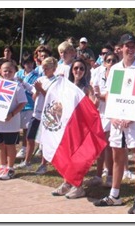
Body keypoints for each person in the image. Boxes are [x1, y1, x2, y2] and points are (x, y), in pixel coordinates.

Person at [93, 33, 135, 214]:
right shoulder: (115, 69)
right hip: (117, 120)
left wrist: (131, 117)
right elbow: (110, 94)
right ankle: (114, 195)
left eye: (133, 46)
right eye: (127, 46)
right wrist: (112, 116)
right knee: (117, 157)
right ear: (121, 48)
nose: (131, 49)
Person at [51, 58, 94, 199]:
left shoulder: (87, 88)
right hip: (66, 125)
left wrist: (95, 98)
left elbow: (94, 104)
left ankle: (78, 186)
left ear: (85, 71)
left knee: (77, 156)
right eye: (76, 68)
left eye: (81, 68)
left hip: (80, 127)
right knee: (66, 154)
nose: (78, 71)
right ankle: (67, 182)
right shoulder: (65, 86)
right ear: (72, 70)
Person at [87, 52, 119, 188]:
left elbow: (114, 96)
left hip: (111, 114)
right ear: (104, 63)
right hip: (99, 113)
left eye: (113, 60)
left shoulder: (118, 76)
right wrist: (96, 97)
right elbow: (92, 92)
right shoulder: (98, 74)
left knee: (109, 147)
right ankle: (98, 175)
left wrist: (102, 96)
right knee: (99, 146)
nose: (111, 63)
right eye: (108, 60)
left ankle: (110, 176)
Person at [0, 62, 27, 180]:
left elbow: (23, 103)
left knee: (10, 145)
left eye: (10, 71)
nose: (7, 73)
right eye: (5, 70)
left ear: (14, 72)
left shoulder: (17, 86)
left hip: (11, 123)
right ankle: (2, 166)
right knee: (0, 145)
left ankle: (10, 168)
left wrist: (12, 114)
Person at [31, 57, 60, 175]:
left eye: (47, 68)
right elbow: (34, 97)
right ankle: (29, 160)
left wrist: (41, 89)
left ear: (53, 68)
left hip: (48, 114)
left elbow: (53, 98)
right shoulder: (40, 79)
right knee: (33, 138)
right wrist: (37, 91)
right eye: (43, 68)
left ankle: (43, 164)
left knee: (45, 141)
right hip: (37, 112)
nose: (44, 70)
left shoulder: (56, 81)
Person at [13, 54, 39, 169]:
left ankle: (24, 149)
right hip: (17, 104)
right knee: (16, 128)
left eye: (31, 63)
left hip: (29, 105)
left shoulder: (36, 75)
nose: (29, 65)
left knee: (27, 130)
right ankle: (16, 149)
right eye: (26, 63)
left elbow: (34, 90)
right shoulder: (17, 74)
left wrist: (24, 84)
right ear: (23, 64)